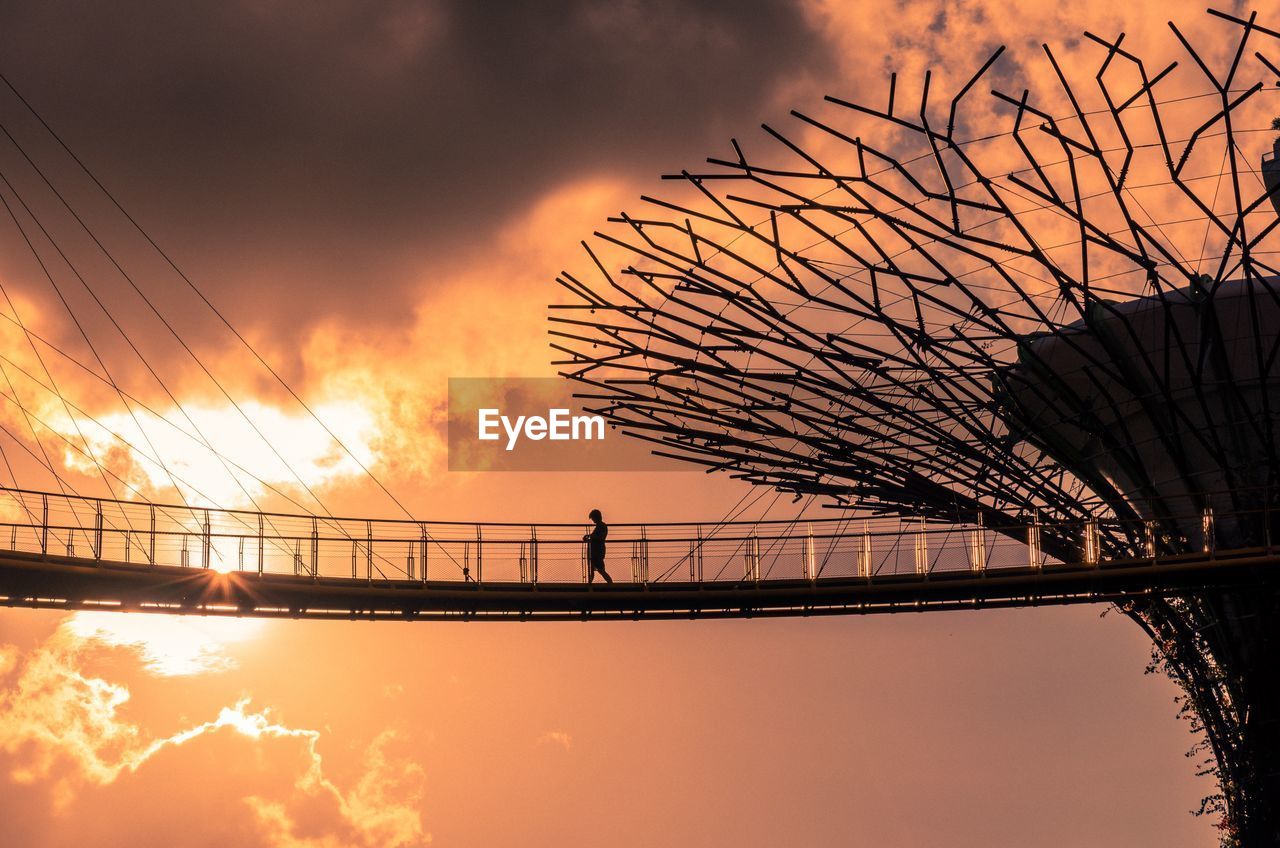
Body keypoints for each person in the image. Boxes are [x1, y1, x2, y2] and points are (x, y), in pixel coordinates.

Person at [584, 509, 612, 584]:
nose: (592, 520)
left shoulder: (602, 526)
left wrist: (590, 537)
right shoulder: (600, 526)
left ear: (596, 517)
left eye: (593, 518)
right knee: (594, 571)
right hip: (595, 551)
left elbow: (601, 537)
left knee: (600, 570)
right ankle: (589, 585)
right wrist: (589, 536)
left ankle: (611, 584)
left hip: (597, 551)